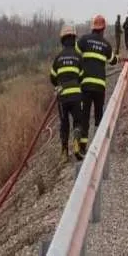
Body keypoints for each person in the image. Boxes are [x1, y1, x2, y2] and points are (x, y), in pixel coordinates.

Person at [76, 14, 118, 156]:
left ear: (92, 27)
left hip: (85, 85)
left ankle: (82, 147)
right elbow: (113, 61)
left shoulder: (83, 40)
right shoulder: (106, 44)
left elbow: (74, 54)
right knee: (99, 115)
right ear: (103, 29)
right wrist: (117, 57)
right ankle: (97, 146)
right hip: (99, 86)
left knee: (85, 116)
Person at [50, 25, 83, 163]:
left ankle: (64, 152)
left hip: (62, 97)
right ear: (74, 39)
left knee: (64, 124)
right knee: (77, 121)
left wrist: (59, 84)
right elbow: (81, 75)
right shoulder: (78, 56)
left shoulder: (57, 58)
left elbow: (52, 78)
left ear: (62, 40)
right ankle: (76, 142)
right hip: (76, 95)